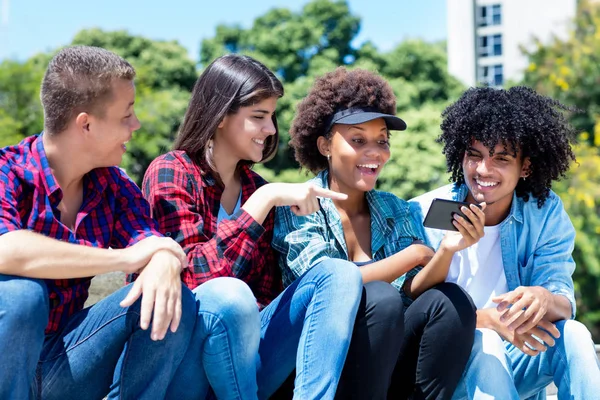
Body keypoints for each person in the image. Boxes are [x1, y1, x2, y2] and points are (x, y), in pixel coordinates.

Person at [142, 54, 363, 399]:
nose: (271, 129)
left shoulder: (255, 186)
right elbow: (193, 283)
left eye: (272, 117)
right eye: (258, 117)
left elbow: (267, 296)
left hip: (243, 362)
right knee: (230, 297)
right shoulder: (172, 171)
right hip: (181, 362)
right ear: (218, 116)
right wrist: (263, 202)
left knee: (340, 274)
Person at [0, 46, 197, 400]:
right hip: (7, 360)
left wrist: (165, 258)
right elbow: (6, 249)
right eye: (127, 115)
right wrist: (125, 258)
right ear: (86, 124)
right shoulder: (6, 170)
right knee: (22, 296)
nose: (136, 125)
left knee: (171, 295)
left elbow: (151, 243)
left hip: (66, 361)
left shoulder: (115, 186)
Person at [272, 67, 480, 400]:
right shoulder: (296, 205)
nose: (376, 152)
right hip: (321, 364)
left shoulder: (393, 208)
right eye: (358, 140)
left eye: (382, 141)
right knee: (380, 299)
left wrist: (445, 250)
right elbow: (330, 284)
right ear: (325, 145)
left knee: (451, 301)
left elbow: (413, 287)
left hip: (383, 366)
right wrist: (413, 254)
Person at [410, 86, 600, 399]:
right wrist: (489, 321)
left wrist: (543, 298)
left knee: (576, 335)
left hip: (517, 355)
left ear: (525, 167)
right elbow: (411, 316)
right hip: (450, 367)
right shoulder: (423, 211)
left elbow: (563, 303)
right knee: (487, 342)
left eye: (501, 158)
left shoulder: (544, 212)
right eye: (475, 155)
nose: (483, 169)